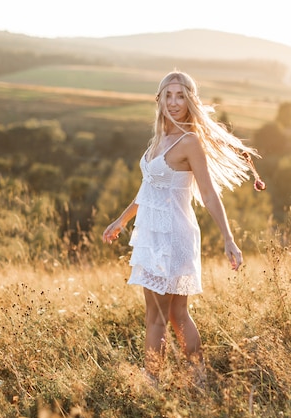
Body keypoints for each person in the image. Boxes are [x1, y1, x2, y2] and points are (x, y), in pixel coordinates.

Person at [103, 71, 264, 385]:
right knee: (175, 314)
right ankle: (197, 378)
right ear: (160, 99)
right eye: (169, 95)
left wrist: (228, 239)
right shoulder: (159, 140)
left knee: (158, 317)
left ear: (191, 101)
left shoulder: (189, 141)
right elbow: (148, 190)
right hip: (152, 233)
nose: (174, 103)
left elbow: (208, 193)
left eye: (181, 96)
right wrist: (121, 220)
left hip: (172, 235)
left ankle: (153, 381)